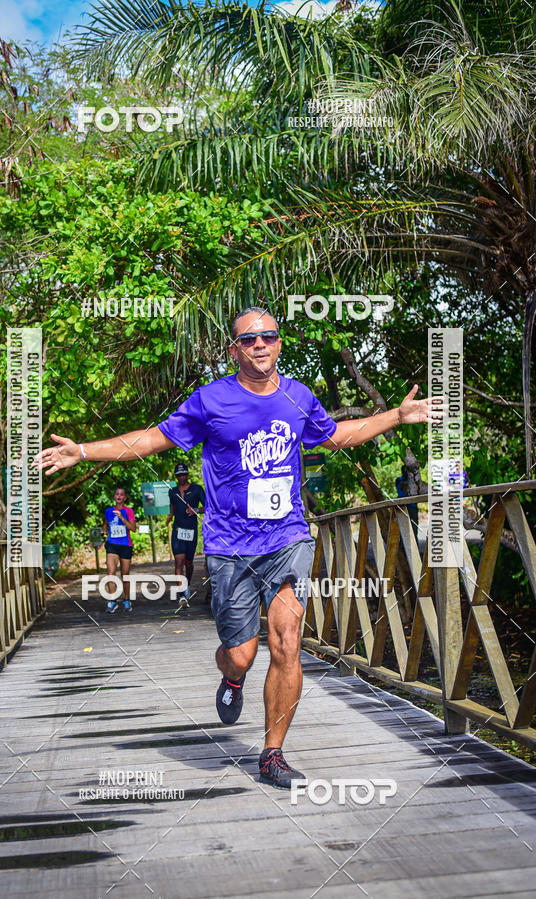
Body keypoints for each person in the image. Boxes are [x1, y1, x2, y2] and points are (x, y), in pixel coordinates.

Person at [35, 307, 441, 788]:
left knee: (287, 642)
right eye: (249, 339)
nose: (260, 344)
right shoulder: (211, 400)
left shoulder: (298, 396)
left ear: (279, 343)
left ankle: (272, 755)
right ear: (236, 350)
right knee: (242, 654)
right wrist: (82, 450)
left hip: (287, 537)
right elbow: (149, 441)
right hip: (230, 546)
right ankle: (230, 677)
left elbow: (336, 436)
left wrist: (396, 415)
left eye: (268, 336)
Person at [166, 462, 205, 608]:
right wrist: (170, 515)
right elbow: (173, 504)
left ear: (187, 475)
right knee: (179, 562)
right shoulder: (173, 491)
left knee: (189, 563)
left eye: (183, 474)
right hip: (178, 529)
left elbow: (208, 506)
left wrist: (196, 510)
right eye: (179, 475)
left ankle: (186, 584)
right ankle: (182, 594)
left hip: (191, 530)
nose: (181, 477)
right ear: (176, 476)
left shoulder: (196, 489)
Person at [102, 486, 137, 613]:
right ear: (114, 497)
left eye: (121, 494)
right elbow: (106, 523)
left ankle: (126, 600)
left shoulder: (129, 511)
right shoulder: (108, 511)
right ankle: (112, 601)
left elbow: (133, 528)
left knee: (125, 575)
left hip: (125, 545)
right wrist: (104, 530)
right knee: (111, 573)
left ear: (125, 498)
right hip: (112, 544)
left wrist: (122, 517)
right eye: (117, 494)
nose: (119, 496)